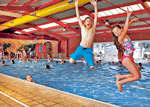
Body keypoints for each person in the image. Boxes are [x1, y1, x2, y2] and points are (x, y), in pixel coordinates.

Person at [111, 7, 141, 91]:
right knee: (137, 76)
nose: (117, 33)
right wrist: (128, 16)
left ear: (121, 29)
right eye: (115, 33)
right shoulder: (120, 38)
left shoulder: (124, 33)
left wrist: (133, 20)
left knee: (137, 75)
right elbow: (126, 27)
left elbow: (127, 26)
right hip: (126, 59)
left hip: (130, 58)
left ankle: (119, 76)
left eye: (117, 30)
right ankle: (120, 82)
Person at [69, 0, 98, 69]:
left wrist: (95, 6)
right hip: (80, 48)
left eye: (90, 21)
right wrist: (76, 6)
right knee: (70, 61)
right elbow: (78, 17)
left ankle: (85, 57)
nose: (88, 22)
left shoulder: (93, 29)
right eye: (87, 21)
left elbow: (96, 17)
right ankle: (82, 56)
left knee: (92, 66)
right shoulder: (83, 27)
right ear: (84, 23)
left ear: (91, 23)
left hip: (88, 50)